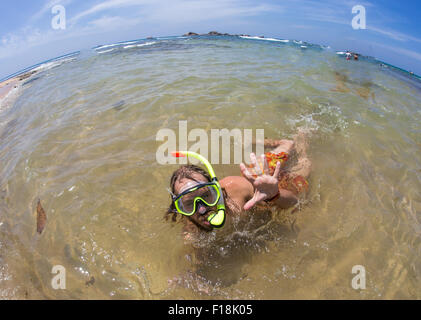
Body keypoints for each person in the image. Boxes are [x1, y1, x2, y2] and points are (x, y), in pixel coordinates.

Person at [165, 131, 312, 241]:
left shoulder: (238, 188)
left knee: (298, 156)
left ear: (217, 189)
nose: (202, 208)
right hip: (259, 186)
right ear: (180, 209)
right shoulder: (192, 231)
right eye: (189, 203)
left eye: (205, 195)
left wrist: (274, 194)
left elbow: (295, 201)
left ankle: (256, 140)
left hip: (260, 182)